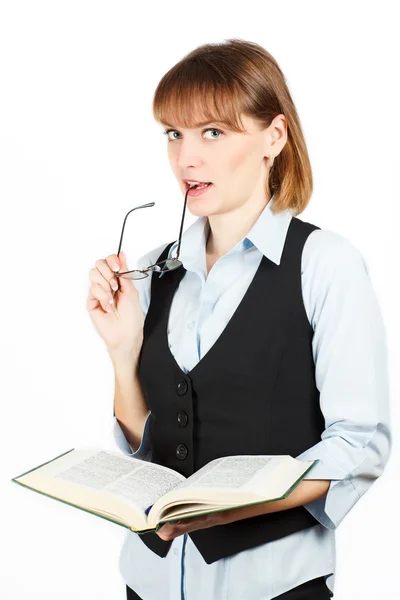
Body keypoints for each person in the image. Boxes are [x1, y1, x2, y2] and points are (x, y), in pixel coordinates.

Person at [86, 39, 391, 600]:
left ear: (274, 137)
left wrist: (231, 510)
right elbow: (145, 443)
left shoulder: (326, 264)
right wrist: (121, 352)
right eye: (174, 134)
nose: (186, 159)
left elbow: (359, 443)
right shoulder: (156, 267)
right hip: (149, 582)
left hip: (270, 585)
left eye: (213, 133)